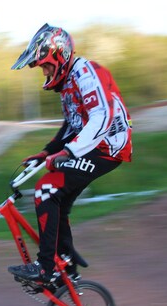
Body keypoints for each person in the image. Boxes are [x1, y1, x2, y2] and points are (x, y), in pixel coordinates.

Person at [8, 23, 132, 283]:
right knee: (58, 199)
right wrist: (46, 153)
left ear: (60, 56)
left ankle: (46, 269)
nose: (43, 72)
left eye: (45, 66)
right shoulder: (68, 83)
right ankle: (67, 266)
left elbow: (102, 117)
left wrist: (69, 152)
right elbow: (72, 125)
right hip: (93, 146)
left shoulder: (86, 73)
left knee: (46, 190)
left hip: (107, 148)